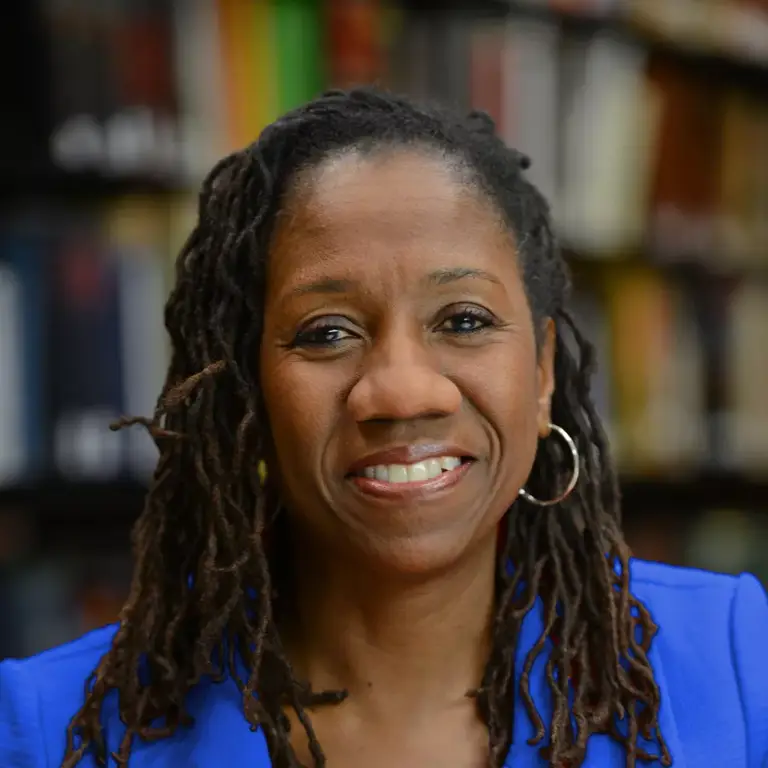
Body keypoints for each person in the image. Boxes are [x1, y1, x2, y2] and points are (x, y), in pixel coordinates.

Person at [1, 88, 766, 768]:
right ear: (246, 397)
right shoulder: (50, 731)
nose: (402, 392)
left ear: (539, 378)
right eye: (327, 332)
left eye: (463, 320)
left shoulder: (738, 664)